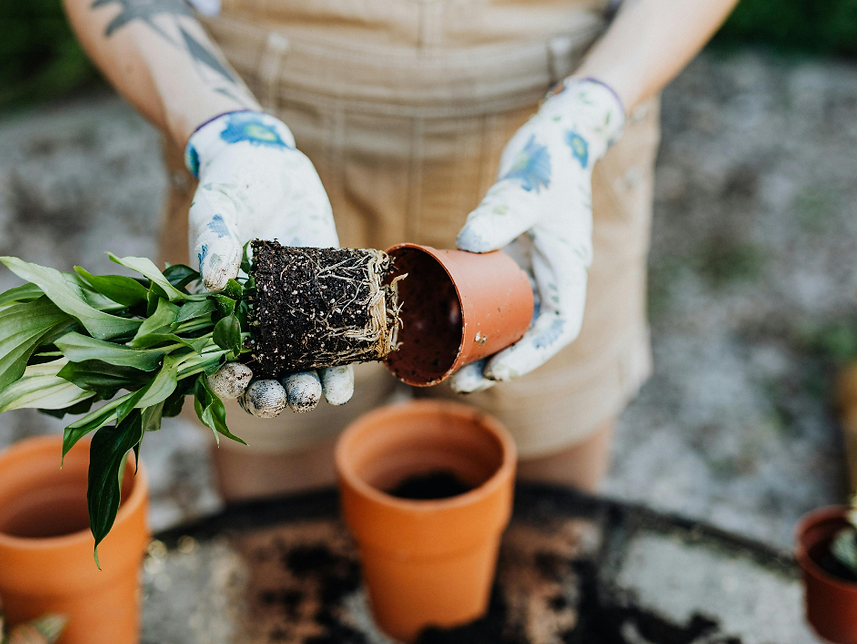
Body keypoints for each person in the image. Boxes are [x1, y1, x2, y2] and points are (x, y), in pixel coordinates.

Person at [63, 0, 739, 500]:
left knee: (543, 545)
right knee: (282, 545)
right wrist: (218, 127)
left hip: (547, 140)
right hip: (268, 134)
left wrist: (590, 110)